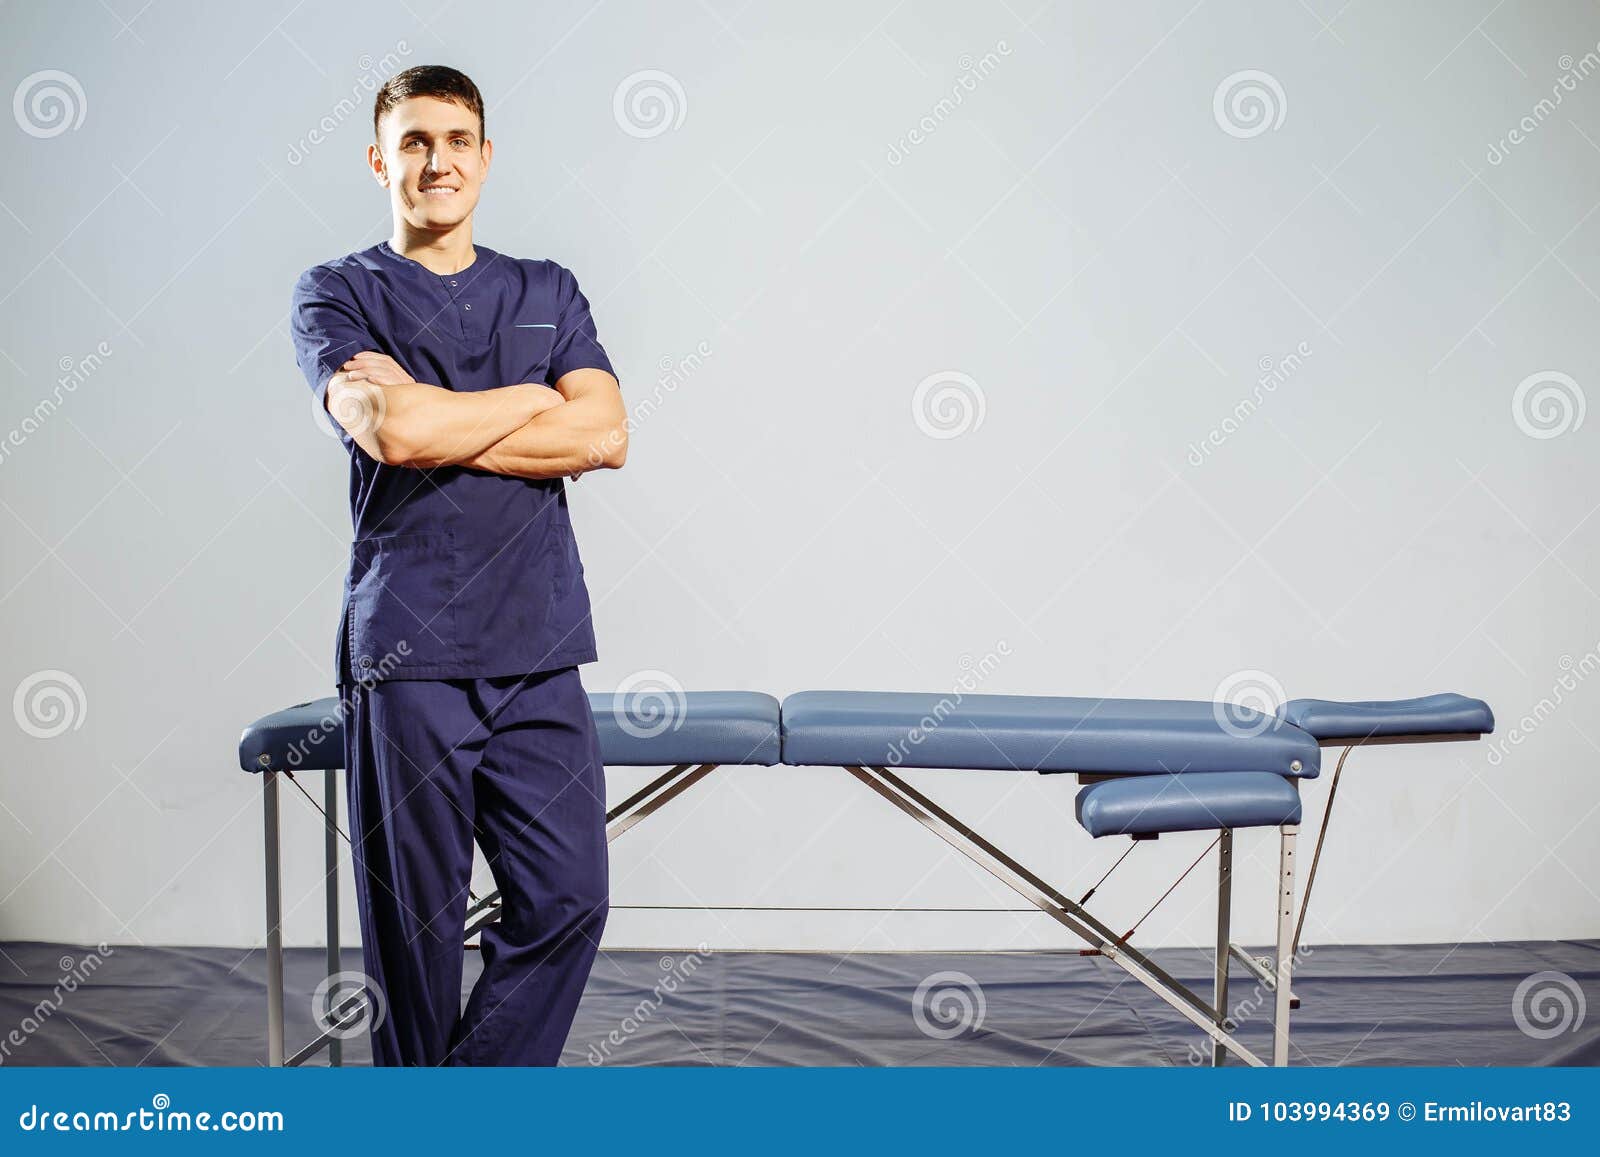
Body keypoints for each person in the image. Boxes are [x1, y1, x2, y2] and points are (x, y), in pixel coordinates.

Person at [287, 64, 627, 1066]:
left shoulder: (544, 287)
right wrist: (533, 399)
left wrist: (441, 416)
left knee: (569, 896)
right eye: (416, 141)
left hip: (538, 642)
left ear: (485, 157)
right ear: (379, 160)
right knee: (414, 942)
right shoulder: (338, 292)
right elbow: (387, 431)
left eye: (458, 141)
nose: (438, 161)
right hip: (408, 648)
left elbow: (606, 433)